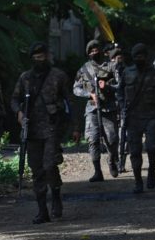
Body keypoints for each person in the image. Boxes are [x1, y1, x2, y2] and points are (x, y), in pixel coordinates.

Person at [10, 42, 71, 224]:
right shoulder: (25, 78)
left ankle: (56, 197)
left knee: (50, 165)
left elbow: (69, 100)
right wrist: (19, 113)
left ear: (47, 56)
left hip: (52, 128)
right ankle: (42, 210)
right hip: (32, 129)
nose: (39, 60)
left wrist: (74, 127)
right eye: (35, 58)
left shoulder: (58, 76)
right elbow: (14, 99)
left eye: (42, 57)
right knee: (36, 170)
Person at [117, 44, 155, 194]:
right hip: (133, 118)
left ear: (146, 56)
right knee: (135, 151)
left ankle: (151, 170)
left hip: (151, 116)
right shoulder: (127, 73)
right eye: (136, 56)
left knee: (152, 147)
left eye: (142, 56)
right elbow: (120, 93)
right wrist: (122, 108)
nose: (139, 58)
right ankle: (138, 180)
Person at [73, 39, 120, 182]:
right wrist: (89, 94)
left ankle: (112, 161)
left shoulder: (111, 66)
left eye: (96, 50)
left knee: (111, 140)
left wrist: (108, 86)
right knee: (92, 140)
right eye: (91, 51)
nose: (95, 52)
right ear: (88, 54)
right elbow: (76, 88)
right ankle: (97, 171)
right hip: (92, 109)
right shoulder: (83, 69)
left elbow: (120, 85)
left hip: (108, 109)